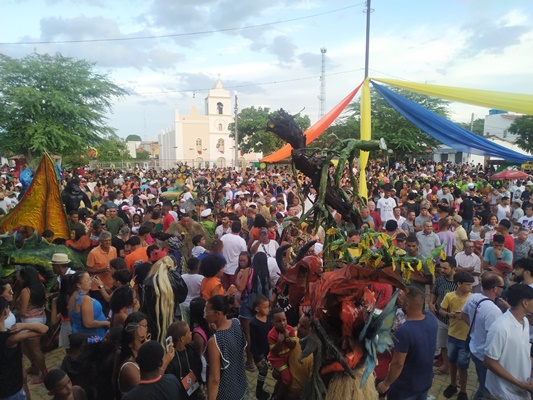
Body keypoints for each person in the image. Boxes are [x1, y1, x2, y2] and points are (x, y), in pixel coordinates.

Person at [377, 286, 438, 399]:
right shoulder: (431, 318)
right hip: (425, 382)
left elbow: (398, 363)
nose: (399, 298)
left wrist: (386, 383)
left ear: (406, 305)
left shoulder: (404, 331)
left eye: (401, 297)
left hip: (405, 387)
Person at [484, 284, 533, 399]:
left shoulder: (525, 322)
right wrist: (520, 384)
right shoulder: (500, 328)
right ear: (525, 303)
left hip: (520, 392)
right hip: (502, 393)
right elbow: (489, 361)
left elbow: (522, 353)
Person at [461, 273, 504, 399]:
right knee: (486, 389)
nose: (503, 289)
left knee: (482, 382)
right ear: (495, 288)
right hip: (484, 354)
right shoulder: (493, 311)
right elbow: (494, 338)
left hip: (474, 347)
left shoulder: (474, 297)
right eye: (502, 287)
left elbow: (463, 315)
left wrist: (475, 328)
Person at [0, 296, 49, 399]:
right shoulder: (10, 338)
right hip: (11, 388)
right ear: (5, 312)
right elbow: (44, 329)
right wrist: (24, 326)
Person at [438, 271, 475, 400]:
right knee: (452, 362)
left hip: (466, 338)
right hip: (452, 335)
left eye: (471, 284)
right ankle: (453, 384)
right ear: (459, 284)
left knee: (463, 366)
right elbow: (441, 310)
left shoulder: (473, 298)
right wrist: (450, 315)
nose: (470, 287)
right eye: (468, 284)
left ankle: (463, 390)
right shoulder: (449, 296)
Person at [205, 295, 247, 400]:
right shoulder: (236, 323)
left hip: (226, 393)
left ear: (218, 313)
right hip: (241, 386)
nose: (204, 315)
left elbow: (214, 379)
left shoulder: (214, 341)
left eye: (207, 311)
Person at [141, 256, 188, 343]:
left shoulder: (149, 282)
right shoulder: (174, 281)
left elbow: (145, 306)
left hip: (153, 326)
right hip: (172, 322)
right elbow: (182, 296)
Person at [16, 266, 48, 384]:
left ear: (25, 278)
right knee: (25, 345)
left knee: (35, 349)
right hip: (40, 318)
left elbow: (23, 311)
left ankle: (44, 374)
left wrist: (16, 308)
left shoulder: (26, 291)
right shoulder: (41, 286)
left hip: (30, 322)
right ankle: (35, 366)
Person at [429, 257, 457, 376]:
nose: (442, 270)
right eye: (441, 268)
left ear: (454, 268)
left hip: (455, 321)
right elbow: (434, 293)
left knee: (453, 346)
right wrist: (431, 303)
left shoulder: (459, 282)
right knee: (443, 344)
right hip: (440, 318)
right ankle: (445, 365)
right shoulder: (440, 280)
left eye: (445, 268)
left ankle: (454, 369)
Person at [165, 321, 204, 400]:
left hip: (194, 390)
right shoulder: (171, 358)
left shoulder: (191, 347)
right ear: (182, 339)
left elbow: (198, 366)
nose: (191, 333)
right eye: (189, 332)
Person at [116, 312, 151, 396]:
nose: (146, 342)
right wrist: (165, 363)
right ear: (130, 343)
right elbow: (148, 392)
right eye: (142, 340)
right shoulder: (129, 368)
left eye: (147, 337)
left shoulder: (142, 357)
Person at [68, 271, 110, 338]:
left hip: (80, 334)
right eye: (87, 280)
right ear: (78, 285)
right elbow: (88, 323)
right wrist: (107, 323)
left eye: (90, 279)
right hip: (93, 336)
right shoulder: (84, 299)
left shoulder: (73, 296)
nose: (90, 282)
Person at [268, 307, 297, 399]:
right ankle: (278, 397)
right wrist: (279, 341)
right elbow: (275, 353)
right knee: (287, 380)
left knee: (281, 379)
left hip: (287, 358)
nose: (282, 323)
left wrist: (287, 338)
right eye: (278, 321)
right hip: (278, 359)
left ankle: (275, 394)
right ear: (272, 322)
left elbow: (292, 346)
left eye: (284, 320)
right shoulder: (271, 334)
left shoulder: (290, 330)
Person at [249, 295, 272, 400]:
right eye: (265, 307)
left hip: (268, 349)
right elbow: (253, 342)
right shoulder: (253, 323)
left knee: (266, 369)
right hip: (259, 352)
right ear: (257, 309)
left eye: (268, 307)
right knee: (263, 371)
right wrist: (257, 358)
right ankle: (259, 390)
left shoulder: (269, 318)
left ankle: (260, 389)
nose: (267, 309)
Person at [219, 221, 248, 290]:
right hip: (235, 269)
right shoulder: (241, 241)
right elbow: (244, 254)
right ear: (240, 229)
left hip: (224, 268)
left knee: (224, 289)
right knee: (234, 290)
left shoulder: (223, 237)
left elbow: (220, 250)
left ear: (231, 228)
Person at [181, 257, 204, 325]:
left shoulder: (182, 277)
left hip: (183, 304)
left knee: (186, 324)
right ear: (198, 267)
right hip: (196, 305)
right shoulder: (201, 279)